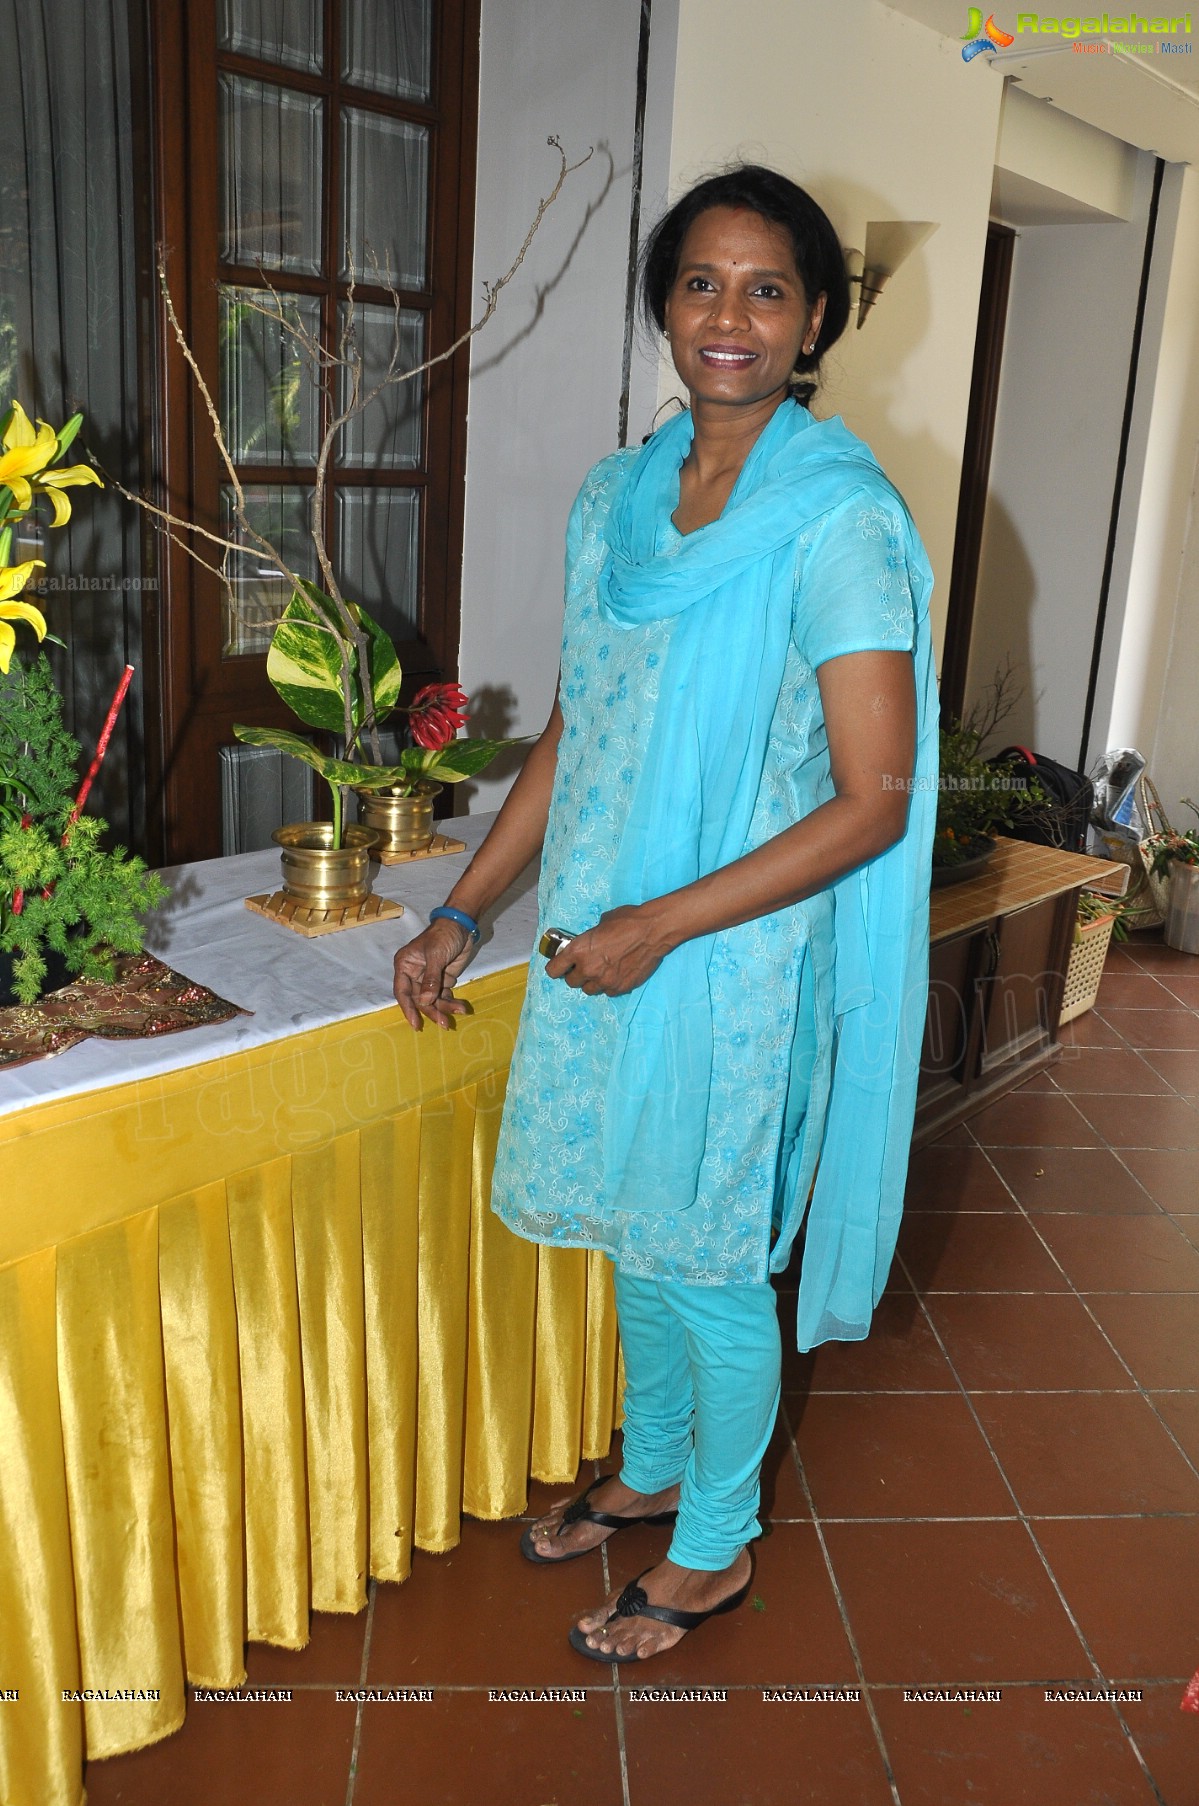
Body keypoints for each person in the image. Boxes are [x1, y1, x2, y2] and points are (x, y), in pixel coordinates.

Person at [393, 164, 938, 1665]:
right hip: (602, 930)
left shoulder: (841, 522)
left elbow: (874, 795)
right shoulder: (618, 498)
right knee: (639, 1227)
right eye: (703, 282)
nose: (731, 316)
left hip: (731, 953)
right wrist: (463, 906)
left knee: (704, 1250)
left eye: (770, 289)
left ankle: (715, 1547)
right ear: (664, 306)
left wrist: (669, 926)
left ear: (817, 317)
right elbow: (581, 729)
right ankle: (650, 1466)